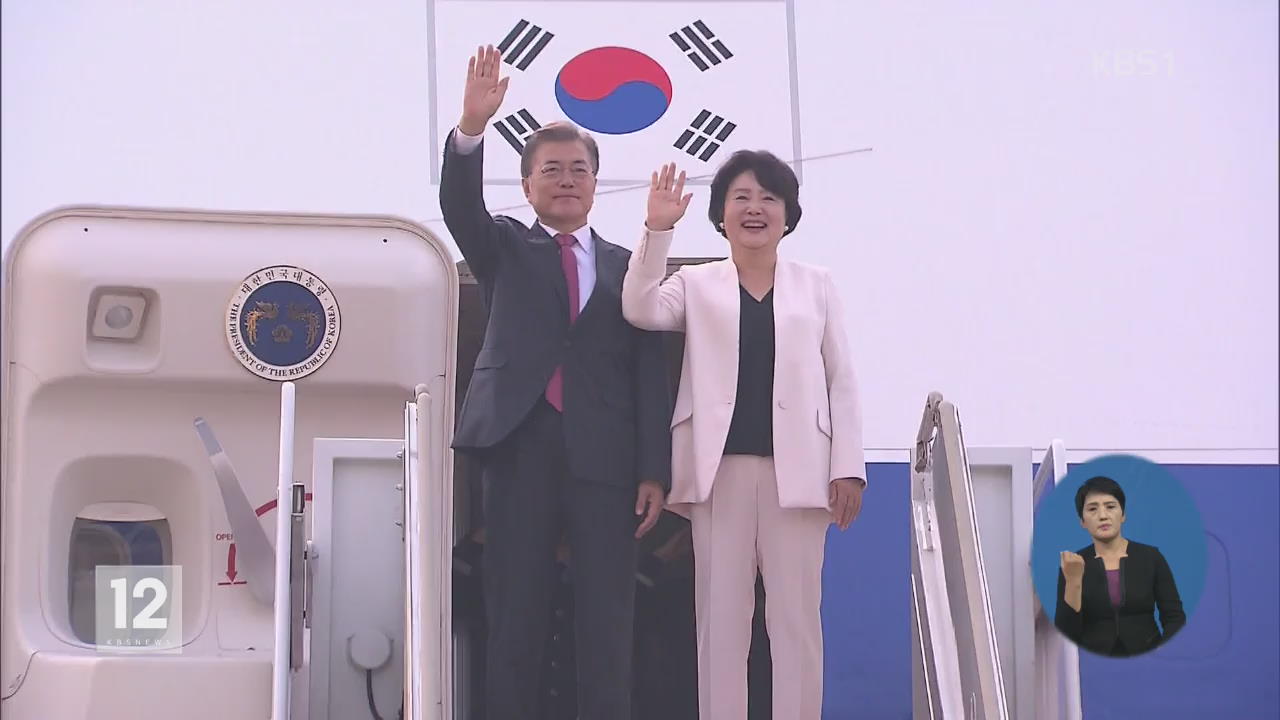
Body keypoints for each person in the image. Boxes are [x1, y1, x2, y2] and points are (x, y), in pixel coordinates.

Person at [440, 45, 671, 719]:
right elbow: (459, 205)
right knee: (516, 610)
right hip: (520, 448)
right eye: (552, 171)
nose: (566, 181)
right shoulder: (505, 247)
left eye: (579, 171)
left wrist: (654, 469)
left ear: (596, 184)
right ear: (529, 184)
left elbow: (647, 374)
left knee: (608, 616)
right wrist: (471, 129)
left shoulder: (632, 266)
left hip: (606, 461)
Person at [621, 154, 867, 720]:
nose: (754, 208)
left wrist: (847, 466)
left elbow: (842, 380)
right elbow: (638, 308)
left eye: (769, 198)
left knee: (797, 621)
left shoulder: (818, 285)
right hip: (720, 473)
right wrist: (657, 228)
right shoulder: (695, 282)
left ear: (788, 215)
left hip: (799, 475)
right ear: (721, 214)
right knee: (721, 621)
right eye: (741, 197)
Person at [1055, 475, 1186, 657]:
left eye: (1110, 507)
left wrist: (1161, 651)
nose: (1102, 516)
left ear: (1123, 515)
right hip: (1093, 662)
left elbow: (1174, 617)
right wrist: (1073, 581)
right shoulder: (1073, 563)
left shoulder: (1151, 557)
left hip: (1148, 656)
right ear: (1082, 522)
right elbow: (1066, 633)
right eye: (1092, 509)